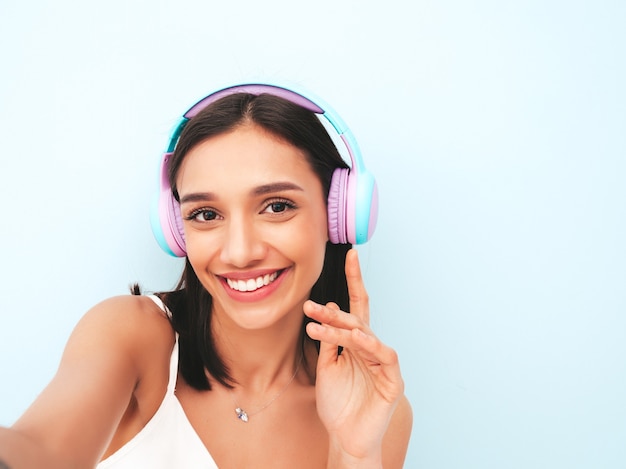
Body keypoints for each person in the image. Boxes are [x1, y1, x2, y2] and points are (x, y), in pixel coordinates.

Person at [0, 83, 413, 468]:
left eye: (276, 206)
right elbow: (37, 451)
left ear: (338, 214)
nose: (240, 252)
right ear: (177, 230)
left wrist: (353, 453)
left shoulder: (376, 408)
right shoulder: (134, 335)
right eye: (205, 214)